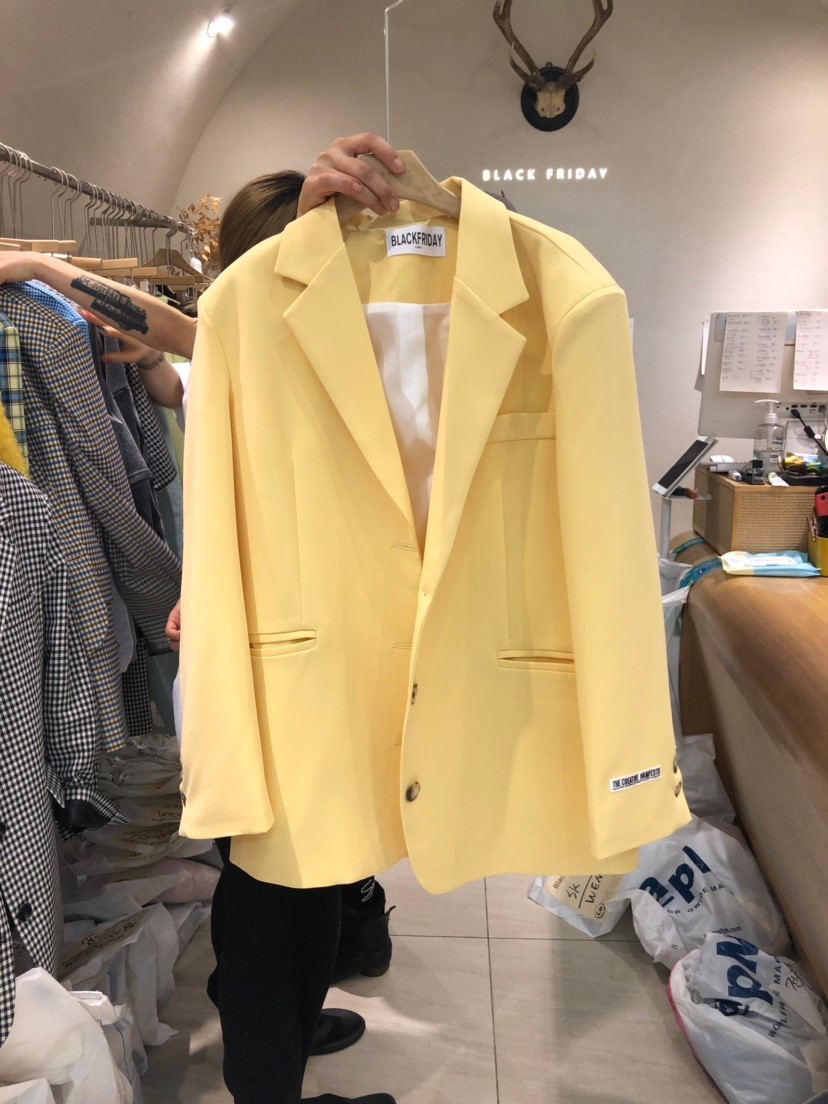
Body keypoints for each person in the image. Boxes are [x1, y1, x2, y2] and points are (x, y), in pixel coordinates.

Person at [0, 134, 406, 1104]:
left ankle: (285, 1023)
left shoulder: (277, 350)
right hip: (267, 664)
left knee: (298, 871)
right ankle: (270, 1075)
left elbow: (189, 352)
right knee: (273, 877)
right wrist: (45, 273)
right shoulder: (258, 338)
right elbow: (193, 337)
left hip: (283, 646)